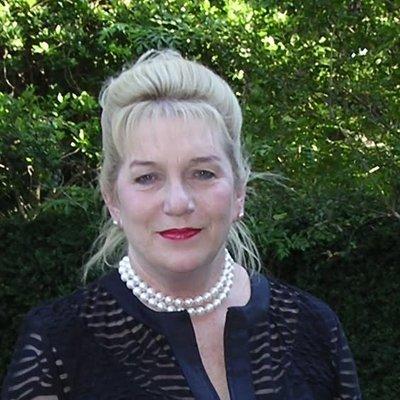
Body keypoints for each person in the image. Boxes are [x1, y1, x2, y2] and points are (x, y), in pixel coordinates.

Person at [2, 50, 362, 400]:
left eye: (202, 173)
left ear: (239, 192)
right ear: (113, 199)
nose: (178, 203)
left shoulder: (315, 328)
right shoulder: (56, 346)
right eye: (147, 177)